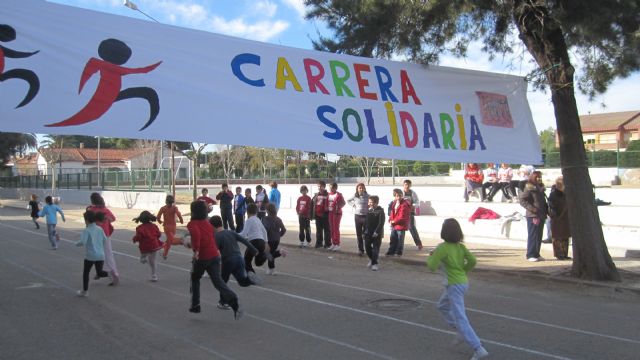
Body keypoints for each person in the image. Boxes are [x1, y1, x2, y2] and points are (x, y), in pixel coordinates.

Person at [427, 218, 488, 360]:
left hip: (454, 285)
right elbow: (473, 261)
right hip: (461, 282)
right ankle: (461, 331)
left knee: (461, 317)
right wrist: (463, 271)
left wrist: (431, 256)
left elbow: (431, 266)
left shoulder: (442, 248)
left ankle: (478, 348)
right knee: (442, 305)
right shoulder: (461, 247)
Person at [187, 200, 243, 319]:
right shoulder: (208, 222)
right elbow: (211, 236)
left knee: (195, 278)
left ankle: (195, 304)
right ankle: (232, 298)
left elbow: (196, 236)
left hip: (202, 256)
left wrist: (195, 251)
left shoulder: (192, 224)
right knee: (218, 281)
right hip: (214, 256)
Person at [210, 215, 259, 310]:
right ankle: (250, 279)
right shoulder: (231, 232)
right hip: (239, 259)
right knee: (242, 281)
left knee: (222, 283)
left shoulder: (217, 236)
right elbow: (244, 240)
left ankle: (223, 302)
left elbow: (214, 252)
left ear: (213, 226)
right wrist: (254, 250)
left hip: (228, 261)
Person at [87, 192, 119, 286]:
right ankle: (113, 273)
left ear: (92, 201)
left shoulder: (92, 210)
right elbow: (113, 219)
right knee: (108, 254)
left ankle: (100, 271)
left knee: (96, 254)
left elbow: (88, 221)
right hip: (106, 234)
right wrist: (106, 219)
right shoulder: (105, 209)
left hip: (96, 235)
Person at [75, 210, 109, 297]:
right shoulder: (99, 228)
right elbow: (105, 240)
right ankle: (110, 274)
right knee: (100, 272)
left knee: (86, 273)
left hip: (90, 256)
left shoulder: (87, 230)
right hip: (100, 255)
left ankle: (85, 291)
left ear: (86, 220)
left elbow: (83, 242)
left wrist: (76, 243)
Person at [518, 171, 549, 262]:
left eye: (540, 177)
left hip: (541, 214)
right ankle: (530, 254)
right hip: (533, 215)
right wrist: (532, 209)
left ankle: (536, 253)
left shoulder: (540, 187)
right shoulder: (529, 187)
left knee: (539, 235)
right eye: (537, 177)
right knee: (533, 234)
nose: (539, 179)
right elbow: (522, 200)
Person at [132, 211, 163, 282]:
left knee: (142, 259)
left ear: (140, 219)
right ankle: (154, 275)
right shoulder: (154, 226)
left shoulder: (139, 228)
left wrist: (134, 239)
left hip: (145, 246)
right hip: (154, 245)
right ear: (150, 218)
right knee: (153, 260)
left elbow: (139, 237)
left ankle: (144, 259)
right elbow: (159, 234)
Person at [239, 203, 270, 274]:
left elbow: (243, 234)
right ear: (256, 212)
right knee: (258, 262)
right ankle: (265, 256)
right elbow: (264, 231)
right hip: (261, 242)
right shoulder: (258, 219)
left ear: (247, 212)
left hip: (254, 243)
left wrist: (233, 234)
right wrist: (266, 242)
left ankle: (252, 275)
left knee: (246, 260)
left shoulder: (248, 220)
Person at [548, 176, 571, 260]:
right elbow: (551, 206)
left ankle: (565, 253)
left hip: (565, 218)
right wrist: (557, 215)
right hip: (557, 217)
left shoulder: (566, 194)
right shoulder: (553, 194)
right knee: (558, 237)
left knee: (565, 236)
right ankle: (559, 254)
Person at [261, 203, 287, 275]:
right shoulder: (278, 219)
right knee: (271, 253)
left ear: (268, 211)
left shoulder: (266, 219)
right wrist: (279, 235)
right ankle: (271, 270)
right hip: (276, 240)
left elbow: (266, 229)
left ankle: (280, 252)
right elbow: (284, 230)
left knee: (268, 254)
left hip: (269, 239)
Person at [157, 194, 184, 260]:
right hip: (173, 227)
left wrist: (160, 222)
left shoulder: (163, 208)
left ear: (166, 202)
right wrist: (181, 220)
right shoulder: (174, 207)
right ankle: (164, 254)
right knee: (170, 241)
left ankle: (182, 241)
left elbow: (158, 217)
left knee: (170, 241)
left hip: (167, 227)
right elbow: (178, 214)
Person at [386, 188, 411, 256]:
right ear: (395, 196)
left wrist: (394, 221)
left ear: (402, 195)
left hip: (400, 225)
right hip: (394, 224)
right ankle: (391, 251)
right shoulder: (394, 203)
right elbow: (392, 213)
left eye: (400, 195)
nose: (399, 197)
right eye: (397, 196)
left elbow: (402, 216)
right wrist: (390, 220)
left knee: (400, 240)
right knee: (393, 238)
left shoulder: (404, 204)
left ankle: (398, 252)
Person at [363, 195, 385, 271]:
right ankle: (372, 260)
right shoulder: (369, 211)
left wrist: (376, 232)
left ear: (376, 203)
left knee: (376, 249)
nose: (370, 203)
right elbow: (366, 222)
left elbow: (381, 223)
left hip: (377, 234)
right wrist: (364, 232)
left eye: (371, 202)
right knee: (367, 247)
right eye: (369, 202)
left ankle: (374, 264)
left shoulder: (380, 211)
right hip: (368, 233)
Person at [347, 183, 369, 255]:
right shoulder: (355, 196)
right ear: (357, 189)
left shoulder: (368, 196)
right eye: (359, 188)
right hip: (357, 216)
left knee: (365, 234)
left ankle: (368, 249)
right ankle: (361, 250)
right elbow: (348, 200)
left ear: (364, 188)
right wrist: (353, 205)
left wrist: (370, 206)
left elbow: (373, 201)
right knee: (358, 234)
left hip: (365, 216)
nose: (361, 189)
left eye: (362, 188)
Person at [402, 179, 424, 250]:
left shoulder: (413, 193)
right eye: (405, 184)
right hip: (401, 213)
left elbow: (417, 202)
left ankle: (418, 243)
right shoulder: (400, 193)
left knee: (412, 227)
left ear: (410, 185)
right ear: (403, 185)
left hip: (409, 213)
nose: (407, 186)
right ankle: (399, 245)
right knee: (400, 229)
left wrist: (413, 205)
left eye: (408, 185)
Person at [311, 180, 331, 249]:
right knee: (318, 230)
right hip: (317, 215)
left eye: (321, 186)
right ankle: (319, 243)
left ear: (324, 187)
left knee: (327, 230)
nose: (319, 187)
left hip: (325, 215)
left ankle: (327, 244)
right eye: (318, 186)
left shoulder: (328, 194)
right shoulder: (316, 195)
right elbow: (313, 204)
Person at [327, 182, 346, 251]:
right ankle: (333, 243)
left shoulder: (339, 195)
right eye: (330, 187)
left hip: (336, 214)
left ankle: (337, 244)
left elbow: (343, 203)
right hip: (330, 213)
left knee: (336, 228)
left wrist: (338, 207)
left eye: (332, 188)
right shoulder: (328, 194)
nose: (330, 189)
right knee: (331, 228)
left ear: (335, 188)